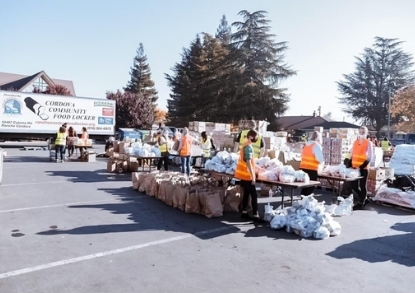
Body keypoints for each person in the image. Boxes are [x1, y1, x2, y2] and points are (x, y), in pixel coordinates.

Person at [234, 129, 261, 221]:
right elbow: (248, 162)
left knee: (246, 193)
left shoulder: (245, 144)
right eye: (256, 137)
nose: (256, 139)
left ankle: (244, 212)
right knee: (254, 195)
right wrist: (253, 176)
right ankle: (256, 215)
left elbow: (249, 161)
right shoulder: (248, 147)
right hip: (247, 175)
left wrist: (258, 167)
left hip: (243, 175)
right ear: (251, 136)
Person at [349, 126, 373, 210]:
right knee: (354, 186)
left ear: (366, 133)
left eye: (363, 132)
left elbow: (370, 156)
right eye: (360, 131)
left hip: (364, 168)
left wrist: (362, 166)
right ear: (358, 132)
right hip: (354, 168)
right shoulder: (355, 142)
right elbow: (352, 154)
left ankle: (361, 203)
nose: (362, 133)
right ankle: (364, 198)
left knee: (363, 185)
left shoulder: (368, 143)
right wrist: (349, 162)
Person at [299, 131, 324, 195]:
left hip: (303, 168)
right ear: (318, 138)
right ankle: (306, 202)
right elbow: (320, 159)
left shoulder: (306, 145)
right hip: (312, 169)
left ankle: (303, 200)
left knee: (304, 187)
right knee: (310, 187)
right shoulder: (316, 146)